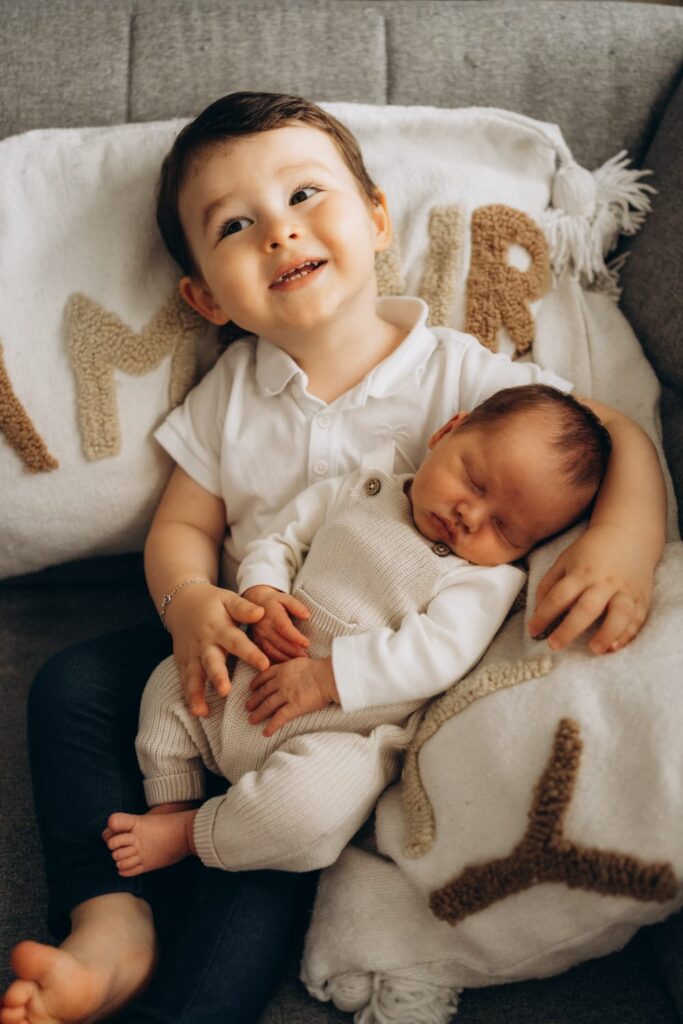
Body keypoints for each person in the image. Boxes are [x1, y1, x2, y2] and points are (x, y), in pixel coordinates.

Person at [1, 92, 666, 1024]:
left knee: (258, 887)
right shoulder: (229, 394)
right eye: (235, 225)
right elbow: (182, 527)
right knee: (74, 687)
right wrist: (192, 604)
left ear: (377, 218)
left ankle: (181, 966)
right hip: (239, 651)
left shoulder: (459, 373)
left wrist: (623, 544)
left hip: (351, 718)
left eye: (305, 195)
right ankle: (108, 919)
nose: (279, 231)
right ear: (204, 297)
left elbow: (611, 431)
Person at [102, 384, 612, 880]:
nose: (471, 516)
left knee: (310, 811)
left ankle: (192, 833)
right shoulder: (360, 488)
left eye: (505, 529)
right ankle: (173, 796)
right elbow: (281, 539)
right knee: (171, 684)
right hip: (248, 674)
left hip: (339, 733)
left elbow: (436, 653)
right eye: (475, 483)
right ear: (447, 432)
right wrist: (263, 591)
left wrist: (327, 678)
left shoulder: (482, 580)